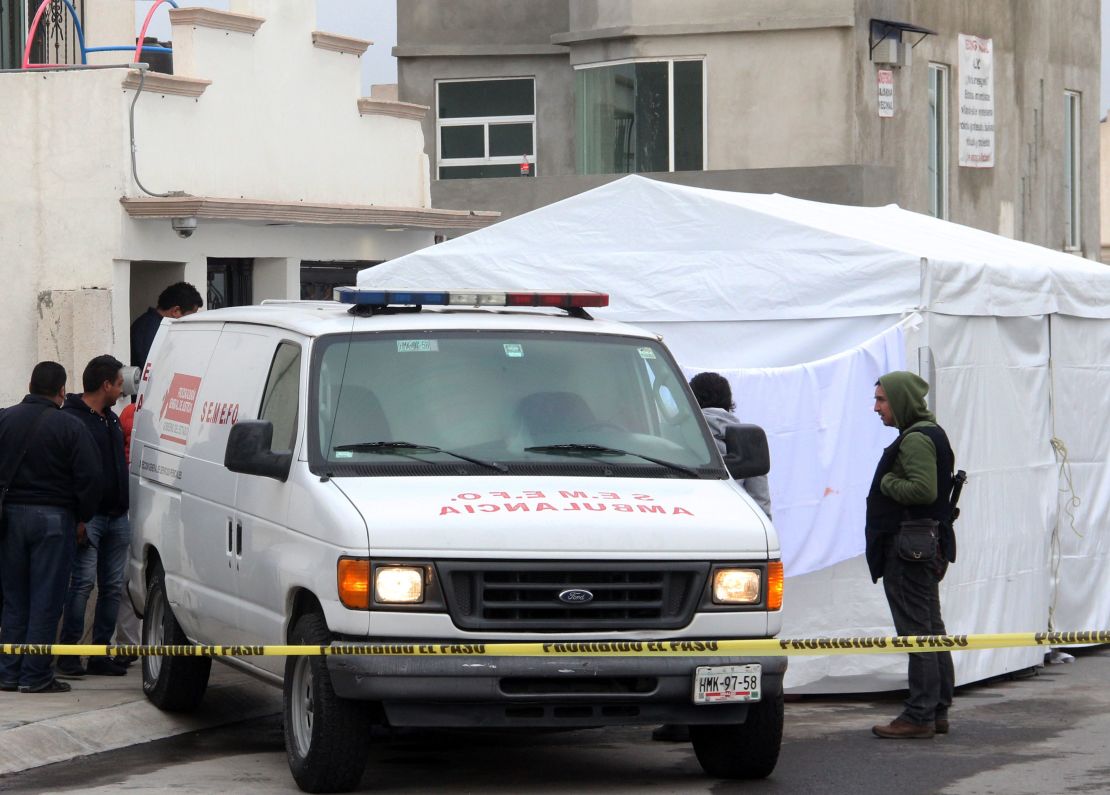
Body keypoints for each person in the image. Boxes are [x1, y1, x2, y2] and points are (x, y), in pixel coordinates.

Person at [0, 362, 100, 694]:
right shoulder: (69, 426)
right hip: (54, 519)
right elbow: (90, 478)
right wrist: (81, 517)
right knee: (46, 598)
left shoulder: (4, 419)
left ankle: (8, 672)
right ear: (61, 391)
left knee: (14, 599)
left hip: (9, 518)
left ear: (29, 385)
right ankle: (34, 675)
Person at [867, 371, 956, 739]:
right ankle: (935, 710)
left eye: (882, 400)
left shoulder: (916, 439)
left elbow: (922, 490)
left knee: (917, 633)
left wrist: (886, 482)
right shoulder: (927, 433)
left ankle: (920, 714)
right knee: (931, 630)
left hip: (908, 548)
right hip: (920, 544)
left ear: (901, 400)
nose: (877, 408)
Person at [56, 356, 132, 678]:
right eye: (118, 383)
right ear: (105, 385)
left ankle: (101, 652)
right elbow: (67, 473)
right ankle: (71, 653)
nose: (121, 389)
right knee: (83, 584)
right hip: (90, 518)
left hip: (117, 516)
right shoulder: (72, 419)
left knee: (113, 585)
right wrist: (79, 517)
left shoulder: (110, 419)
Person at [689, 371, 772, 518]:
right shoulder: (749, 438)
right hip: (736, 528)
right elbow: (761, 503)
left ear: (689, 399)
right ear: (728, 401)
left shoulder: (677, 437)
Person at [130, 281, 203, 368]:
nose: (191, 321)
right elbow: (151, 370)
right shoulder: (152, 330)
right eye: (190, 315)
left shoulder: (153, 324)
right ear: (176, 311)